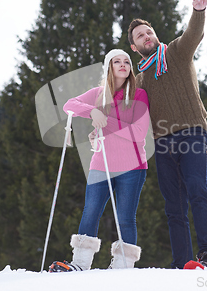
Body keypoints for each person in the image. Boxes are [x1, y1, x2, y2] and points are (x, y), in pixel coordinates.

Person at [127, 0, 207, 269]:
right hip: (163, 143)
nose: (147, 37)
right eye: (140, 36)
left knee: (196, 187)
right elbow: (129, 113)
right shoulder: (140, 80)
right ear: (135, 47)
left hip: (193, 132)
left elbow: (194, 33)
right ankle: (182, 262)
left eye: (149, 32)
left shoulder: (177, 52)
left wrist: (199, 10)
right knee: (174, 206)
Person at [49, 49, 150, 272]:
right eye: (117, 62)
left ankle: (123, 267)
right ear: (109, 67)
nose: (123, 65)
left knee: (125, 217)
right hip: (101, 164)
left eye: (126, 62)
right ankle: (81, 264)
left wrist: (106, 122)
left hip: (132, 166)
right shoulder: (98, 94)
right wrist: (93, 112)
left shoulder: (138, 95)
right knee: (91, 210)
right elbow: (69, 105)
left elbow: (139, 132)